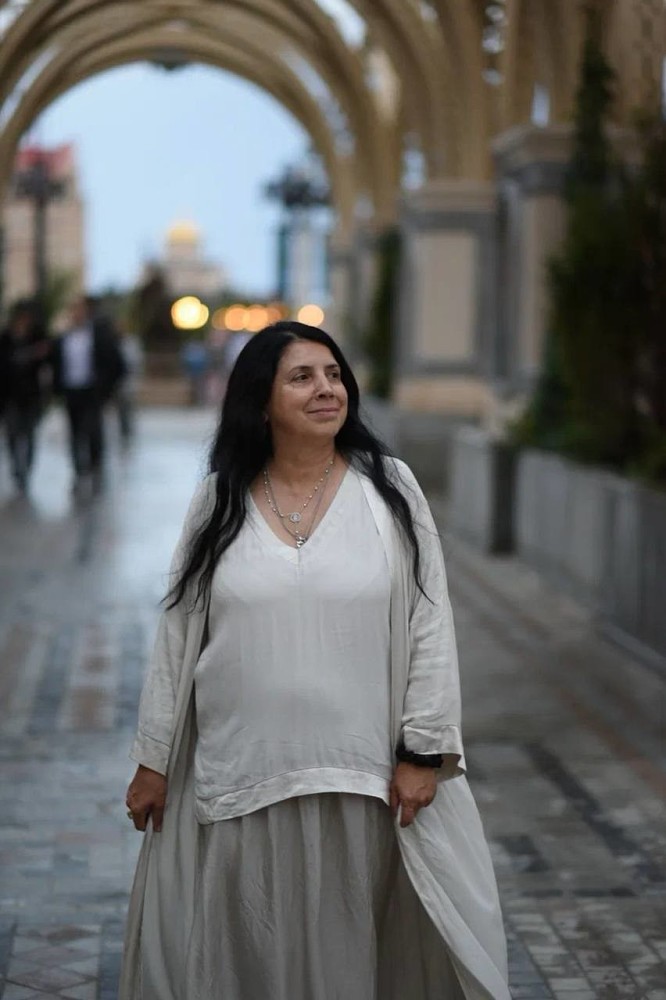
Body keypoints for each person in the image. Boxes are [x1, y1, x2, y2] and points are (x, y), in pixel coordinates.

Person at [120, 321, 510, 1000]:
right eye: (301, 377)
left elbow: (429, 622)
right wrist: (155, 760)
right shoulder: (219, 499)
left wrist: (422, 751)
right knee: (250, 958)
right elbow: (179, 634)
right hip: (243, 778)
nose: (326, 389)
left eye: (333, 375)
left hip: (362, 781)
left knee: (350, 959)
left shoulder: (390, 489)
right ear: (260, 401)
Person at [52, 295, 126, 495]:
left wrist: (106, 388)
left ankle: (95, 464)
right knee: (75, 432)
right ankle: (79, 468)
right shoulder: (63, 338)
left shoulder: (99, 336)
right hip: (71, 391)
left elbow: (116, 364)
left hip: (92, 392)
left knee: (92, 430)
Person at [0, 299, 51, 493]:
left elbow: (46, 363)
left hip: (31, 397)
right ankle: (17, 469)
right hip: (10, 397)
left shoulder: (37, 338)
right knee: (13, 435)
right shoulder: (6, 339)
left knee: (29, 435)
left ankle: (26, 469)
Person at [114, 319, 144, 447]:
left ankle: (127, 431)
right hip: (115, 382)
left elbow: (136, 361)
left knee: (127, 408)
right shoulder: (113, 342)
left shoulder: (131, 343)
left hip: (127, 382)